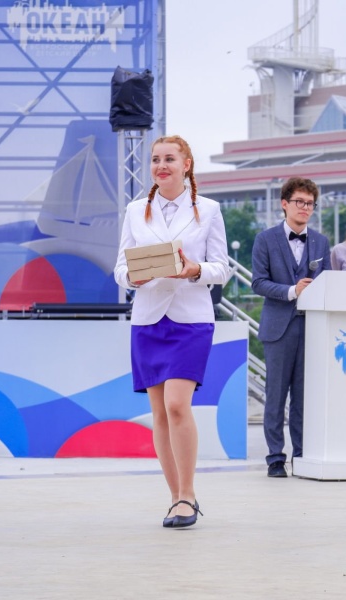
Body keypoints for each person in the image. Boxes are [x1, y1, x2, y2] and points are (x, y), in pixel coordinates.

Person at [114, 135, 229, 529]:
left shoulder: (209, 210)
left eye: (169, 159)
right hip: (148, 319)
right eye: (155, 160)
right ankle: (175, 496)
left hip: (190, 319)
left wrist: (194, 269)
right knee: (160, 413)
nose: (161, 166)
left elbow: (221, 268)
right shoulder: (135, 211)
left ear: (186, 164)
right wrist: (133, 276)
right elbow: (120, 268)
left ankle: (188, 494)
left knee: (178, 405)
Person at [252, 177, 332, 477]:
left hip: (312, 329)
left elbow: (327, 282)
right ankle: (275, 457)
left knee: (303, 396)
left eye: (310, 204)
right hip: (278, 328)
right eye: (299, 202)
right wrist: (291, 291)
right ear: (284, 204)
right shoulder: (265, 239)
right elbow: (258, 282)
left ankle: (301, 455)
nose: (305, 208)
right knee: (275, 395)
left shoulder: (321, 242)